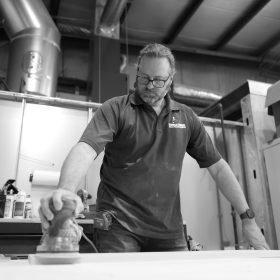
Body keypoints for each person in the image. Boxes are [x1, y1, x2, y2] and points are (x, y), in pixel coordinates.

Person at [39, 43, 269, 252]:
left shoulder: (186, 117)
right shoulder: (116, 109)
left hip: (168, 231)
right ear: (136, 73)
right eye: (144, 78)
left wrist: (247, 219)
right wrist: (66, 190)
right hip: (117, 227)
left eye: (158, 80)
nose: (150, 85)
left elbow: (218, 168)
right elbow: (85, 149)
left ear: (170, 80)